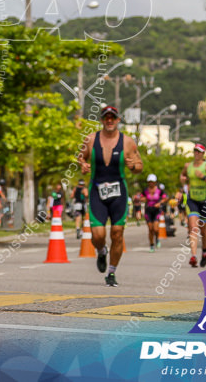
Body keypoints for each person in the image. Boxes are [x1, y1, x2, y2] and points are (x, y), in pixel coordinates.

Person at [78, 104, 143, 287]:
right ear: (101, 120)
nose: (109, 120)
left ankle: (112, 272)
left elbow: (139, 166)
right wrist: (83, 164)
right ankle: (101, 251)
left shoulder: (127, 142)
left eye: (112, 117)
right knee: (97, 235)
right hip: (97, 191)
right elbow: (80, 157)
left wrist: (133, 167)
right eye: (106, 117)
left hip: (119, 193)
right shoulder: (91, 139)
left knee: (117, 233)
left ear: (118, 120)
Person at [180, 143, 206, 268]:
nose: (197, 153)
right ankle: (193, 256)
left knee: (204, 230)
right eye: (195, 151)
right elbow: (183, 175)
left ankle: (204, 251)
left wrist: (203, 178)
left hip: (205, 201)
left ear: (203, 154)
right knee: (193, 228)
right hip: (192, 200)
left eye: (199, 152)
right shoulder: (188, 166)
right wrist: (182, 179)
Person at [143, 174, 167, 251]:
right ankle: (151, 245)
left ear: (155, 182)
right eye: (149, 182)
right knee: (150, 228)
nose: (151, 183)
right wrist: (142, 199)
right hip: (148, 210)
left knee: (156, 229)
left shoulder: (159, 190)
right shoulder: (145, 190)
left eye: (152, 182)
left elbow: (165, 198)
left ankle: (157, 238)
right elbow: (141, 197)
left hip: (156, 211)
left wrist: (159, 203)